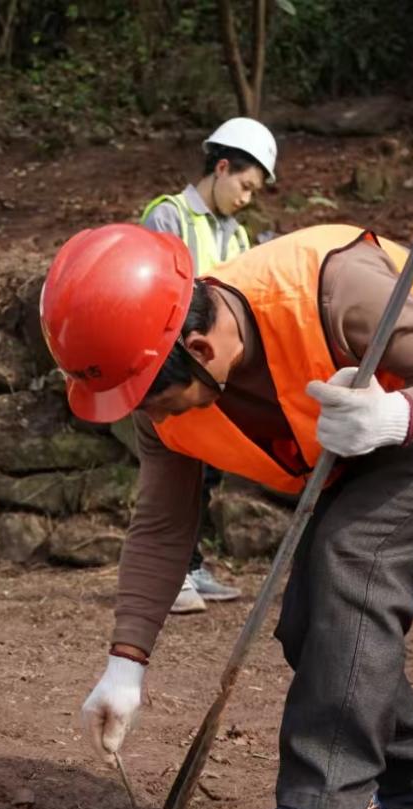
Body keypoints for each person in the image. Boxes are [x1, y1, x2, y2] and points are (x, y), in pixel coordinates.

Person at [39, 222, 413, 809]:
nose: (147, 414)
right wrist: (126, 664)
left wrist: (395, 415)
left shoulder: (335, 289)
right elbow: (163, 525)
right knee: (310, 619)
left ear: (199, 347)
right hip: (380, 432)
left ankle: (334, 806)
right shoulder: (159, 390)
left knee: (354, 558)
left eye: (149, 398)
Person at [139, 116, 278, 614]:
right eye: (245, 185)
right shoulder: (168, 216)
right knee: (173, 474)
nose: (247, 198)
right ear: (221, 168)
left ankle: (190, 567)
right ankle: (169, 574)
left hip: (210, 373)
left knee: (205, 476)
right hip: (173, 372)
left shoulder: (237, 235)